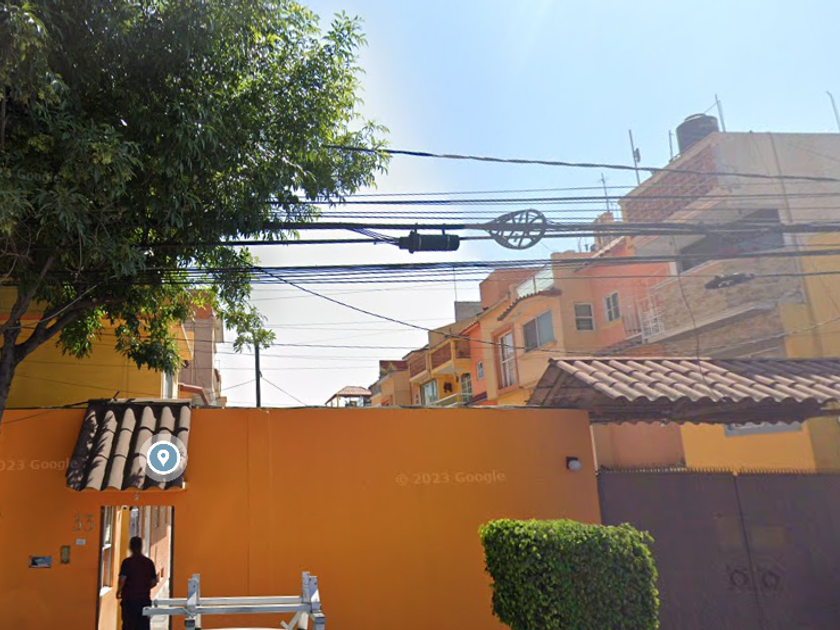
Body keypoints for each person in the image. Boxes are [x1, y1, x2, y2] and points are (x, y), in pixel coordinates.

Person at [116, 536, 158, 630]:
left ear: (130, 547)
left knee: (128, 625)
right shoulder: (148, 563)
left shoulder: (127, 562)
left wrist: (118, 591)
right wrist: (143, 587)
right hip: (144, 600)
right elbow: (154, 582)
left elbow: (122, 579)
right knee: (143, 626)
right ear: (141, 547)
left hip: (129, 600)